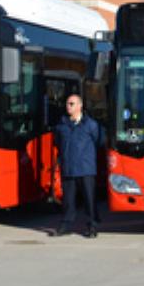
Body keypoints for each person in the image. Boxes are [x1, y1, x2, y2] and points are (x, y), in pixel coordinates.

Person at [53, 94, 103, 238]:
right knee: (68, 201)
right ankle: (65, 225)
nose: (68, 106)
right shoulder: (61, 125)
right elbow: (57, 142)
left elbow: (99, 141)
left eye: (72, 104)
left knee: (89, 199)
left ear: (80, 106)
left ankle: (92, 226)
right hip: (68, 168)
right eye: (68, 103)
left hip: (86, 169)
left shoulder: (91, 125)